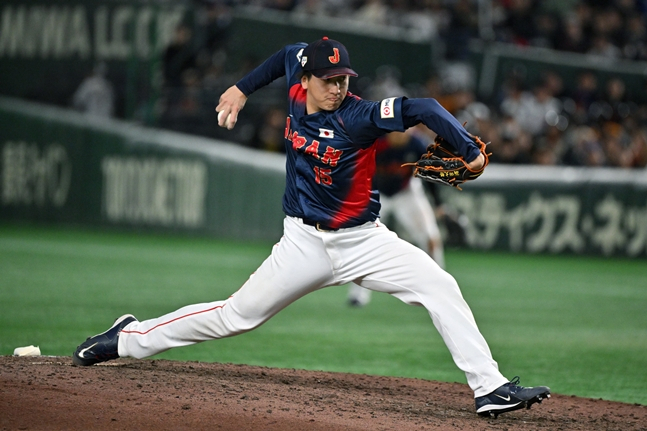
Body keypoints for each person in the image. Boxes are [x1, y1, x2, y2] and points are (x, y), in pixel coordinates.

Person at [73, 37, 550, 418]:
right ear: (306, 79)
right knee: (237, 316)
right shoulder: (297, 84)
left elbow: (423, 107)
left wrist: (467, 148)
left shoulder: (359, 116)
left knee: (439, 285)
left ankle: (489, 388)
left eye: (343, 79)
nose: (337, 87)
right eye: (328, 80)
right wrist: (241, 88)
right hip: (303, 244)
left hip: (364, 242)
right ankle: (128, 338)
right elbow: (286, 54)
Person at [346, 129, 445, 307]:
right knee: (364, 242)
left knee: (431, 238)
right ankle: (358, 294)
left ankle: (440, 287)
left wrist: (438, 204)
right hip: (376, 193)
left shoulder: (416, 145)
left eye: (404, 128)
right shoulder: (376, 143)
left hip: (406, 193)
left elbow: (430, 173)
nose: (400, 133)